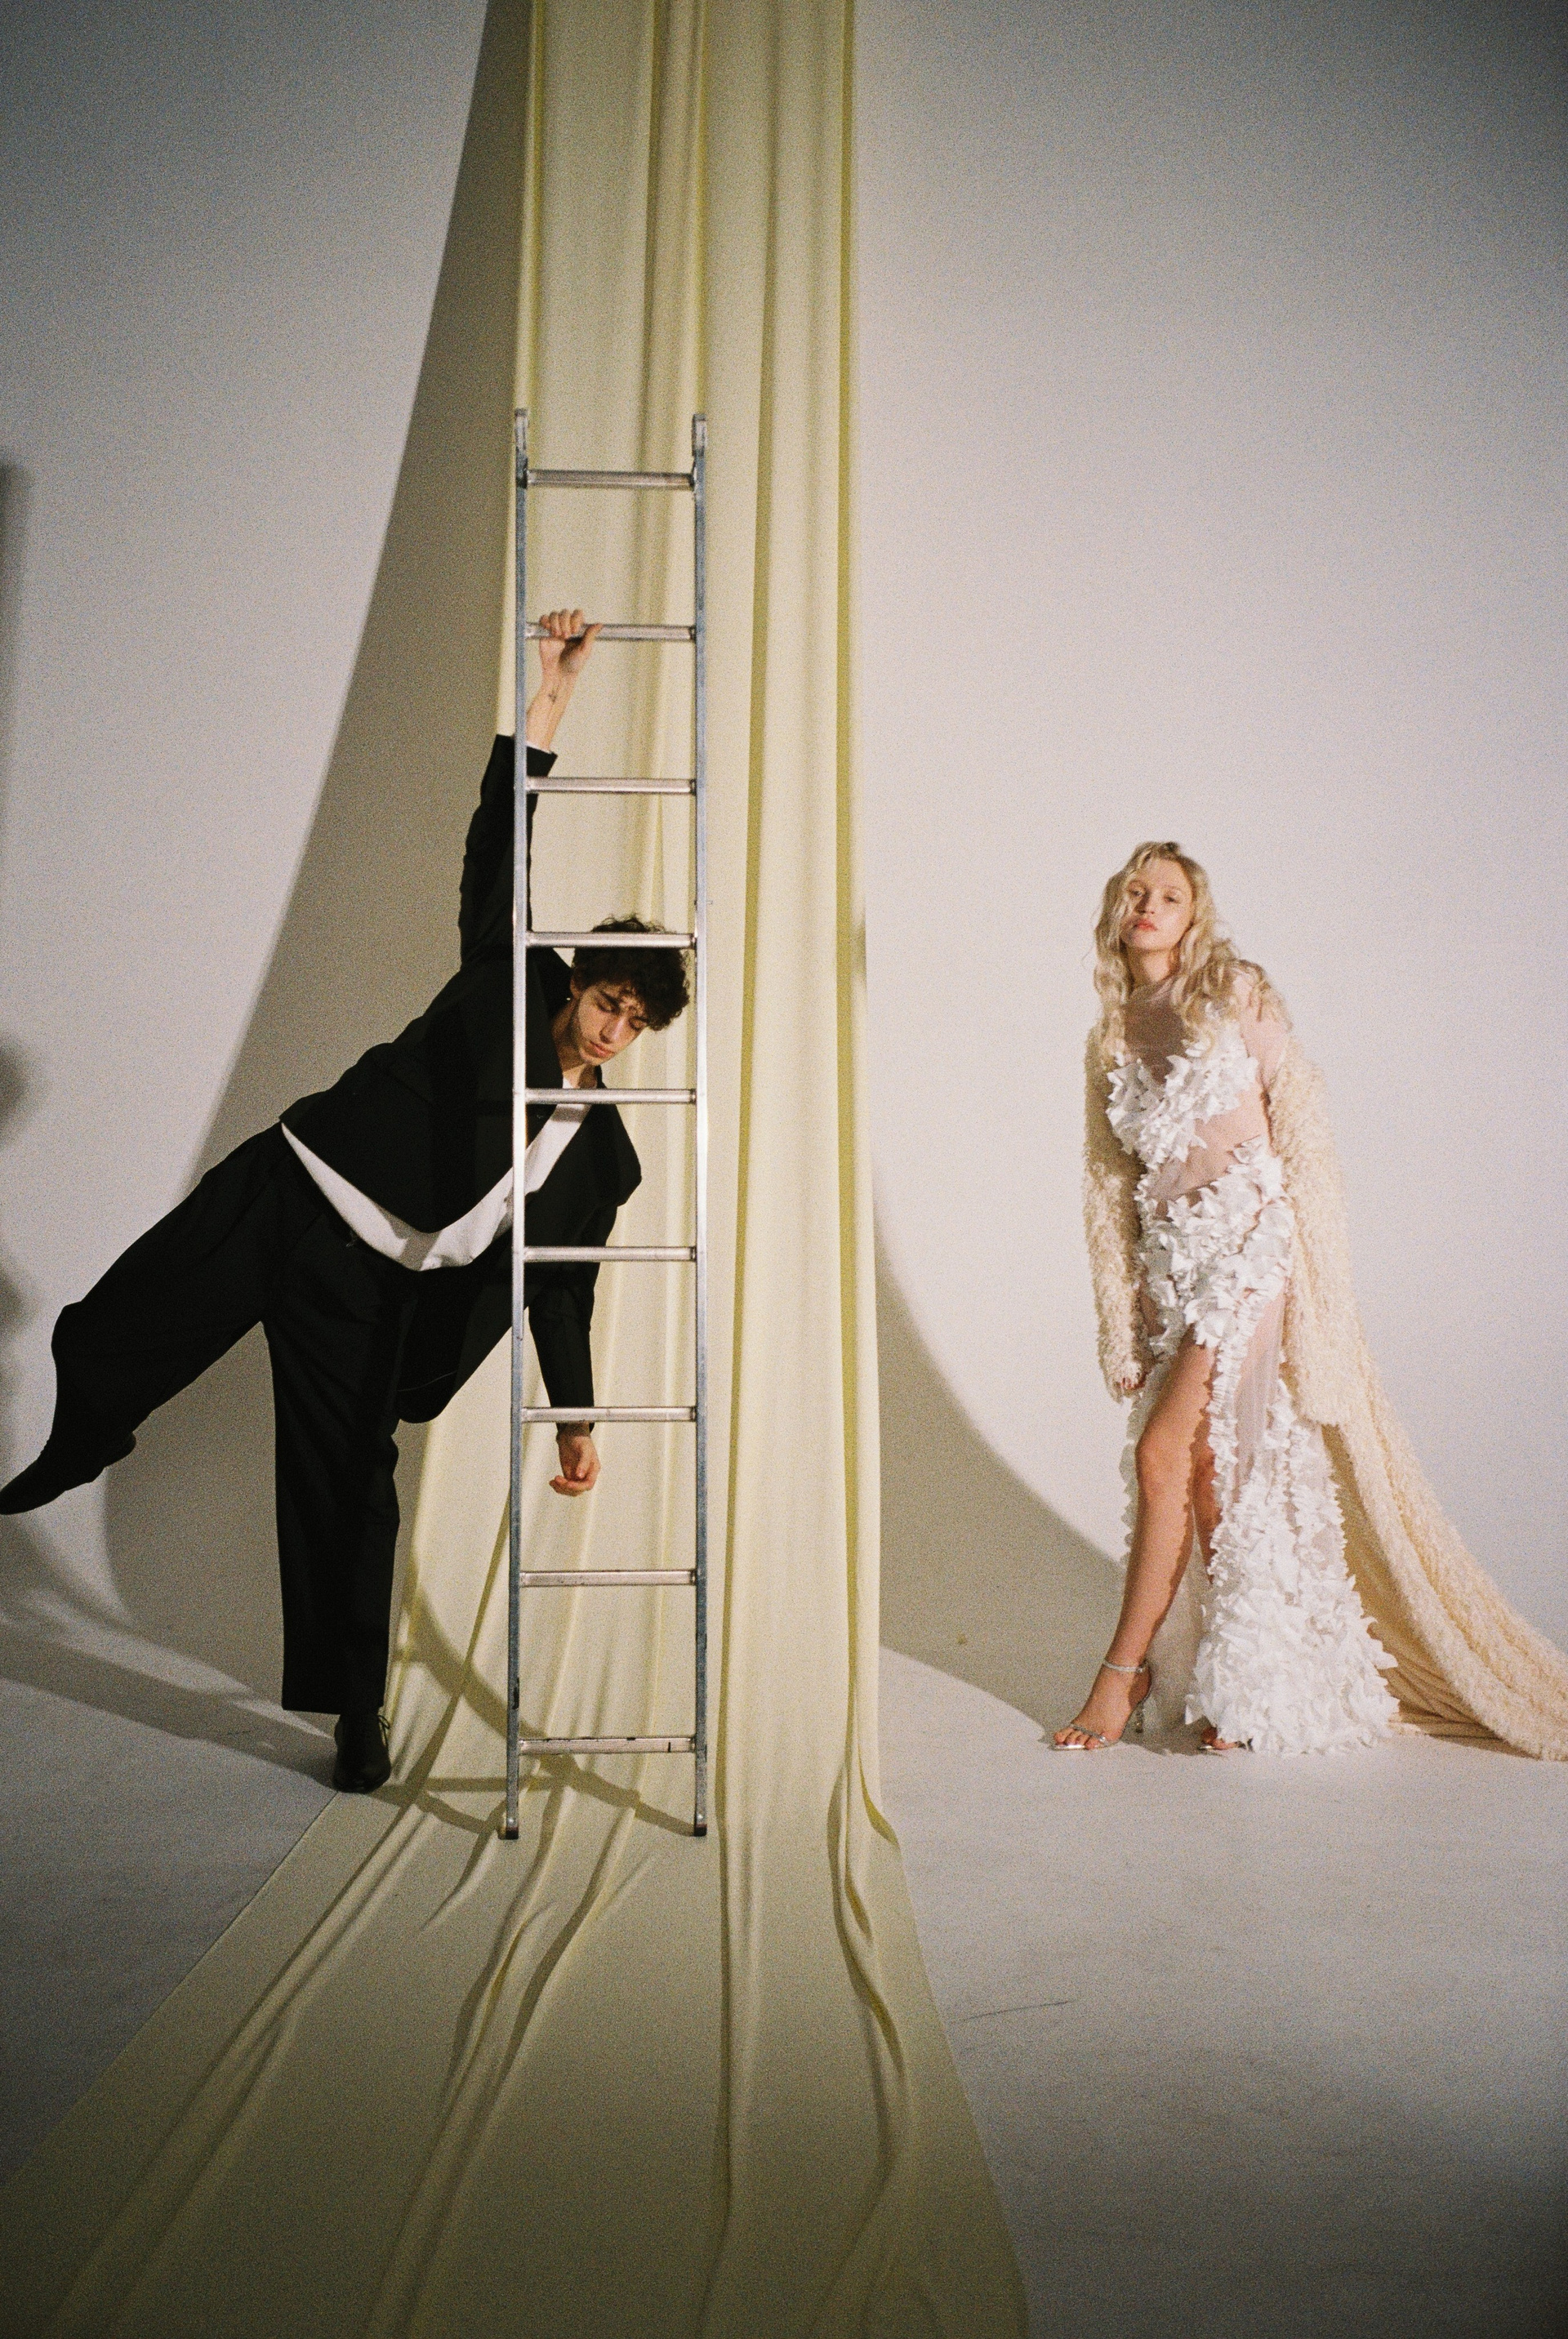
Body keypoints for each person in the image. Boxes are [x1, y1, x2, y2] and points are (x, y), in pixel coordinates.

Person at [1, 612, 692, 1791]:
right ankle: (81, 1443)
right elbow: (496, 850)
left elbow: (561, 1292)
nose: (612, 1030)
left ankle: (354, 1712)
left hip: (374, 1287)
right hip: (294, 1188)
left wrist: (576, 1419)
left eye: (635, 1022)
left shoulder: (603, 1157)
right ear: (580, 977)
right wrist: (551, 701)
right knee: (127, 1315)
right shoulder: (512, 977)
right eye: (607, 1002)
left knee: (351, 1492)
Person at [1061, 840, 1568, 1760]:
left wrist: (1320, 1282)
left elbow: (1302, 1118)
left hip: (1251, 1243)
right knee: (1206, 1473)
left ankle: (1120, 1674)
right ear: (1115, 911)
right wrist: (1122, 1317)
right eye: (1135, 891)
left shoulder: (1234, 991)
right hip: (1176, 1265)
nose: (1149, 904)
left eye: (1169, 894)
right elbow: (1108, 1186)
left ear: (1193, 914)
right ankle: (1244, 1686)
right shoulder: (1110, 1036)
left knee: (1162, 1453)